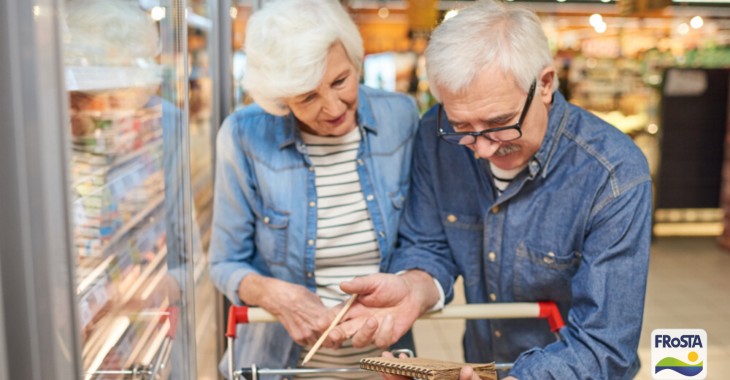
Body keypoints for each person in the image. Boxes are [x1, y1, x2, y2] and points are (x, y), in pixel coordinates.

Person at [322, 1, 652, 379]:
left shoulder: (612, 174)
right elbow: (430, 244)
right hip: (481, 365)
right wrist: (413, 287)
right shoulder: (436, 136)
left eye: (500, 123)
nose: (483, 149)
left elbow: (605, 346)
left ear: (544, 84)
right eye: (462, 126)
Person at [207, 0, 420, 377]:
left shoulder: (401, 116)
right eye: (307, 96)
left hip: (384, 359)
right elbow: (225, 263)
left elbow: (422, 240)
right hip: (277, 361)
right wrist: (274, 295)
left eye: (340, 81)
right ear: (280, 99)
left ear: (355, 60)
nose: (333, 106)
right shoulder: (243, 136)